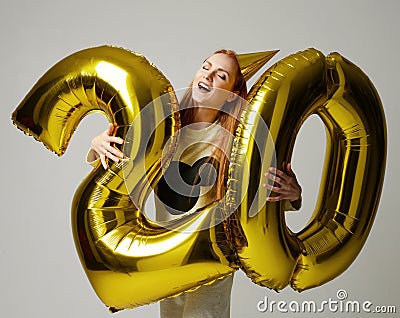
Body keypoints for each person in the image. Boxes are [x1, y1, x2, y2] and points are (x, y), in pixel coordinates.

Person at [87, 50, 302, 318]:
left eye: (220, 75)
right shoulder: (165, 126)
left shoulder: (237, 140)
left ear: (232, 92)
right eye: (205, 67)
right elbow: (118, 162)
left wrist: (294, 195)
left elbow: (261, 197)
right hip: (165, 252)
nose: (208, 76)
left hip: (210, 259)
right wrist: (98, 144)